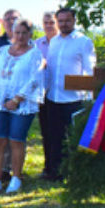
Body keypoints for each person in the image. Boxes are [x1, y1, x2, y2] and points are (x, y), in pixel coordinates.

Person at [0, 18, 45, 195]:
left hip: (22, 104)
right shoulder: (1, 51)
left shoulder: (35, 54)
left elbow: (35, 79)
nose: (20, 36)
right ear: (12, 33)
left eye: (24, 33)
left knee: (16, 140)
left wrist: (17, 99)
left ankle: (16, 178)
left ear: (31, 34)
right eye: (17, 32)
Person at [44, 7, 96, 181]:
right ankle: (56, 172)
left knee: (74, 138)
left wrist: (89, 100)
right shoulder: (54, 42)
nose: (63, 24)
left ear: (74, 20)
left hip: (74, 99)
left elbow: (90, 71)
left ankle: (76, 173)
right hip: (53, 97)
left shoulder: (84, 41)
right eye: (61, 21)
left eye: (67, 20)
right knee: (55, 137)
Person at [35, 11, 59, 174]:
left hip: (61, 95)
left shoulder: (62, 43)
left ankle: (60, 166)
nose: (49, 25)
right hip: (43, 94)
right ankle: (48, 166)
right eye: (46, 23)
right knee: (46, 132)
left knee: (59, 132)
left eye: (52, 22)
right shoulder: (36, 44)